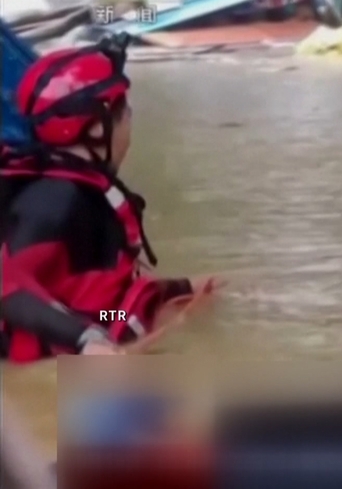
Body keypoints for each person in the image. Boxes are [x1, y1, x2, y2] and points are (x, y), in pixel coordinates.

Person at [0, 35, 215, 363]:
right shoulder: (56, 199)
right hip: (70, 345)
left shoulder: (82, 191)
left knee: (214, 294)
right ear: (98, 129)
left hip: (99, 323)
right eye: (125, 111)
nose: (130, 119)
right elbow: (7, 286)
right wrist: (87, 340)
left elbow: (100, 302)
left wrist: (182, 288)